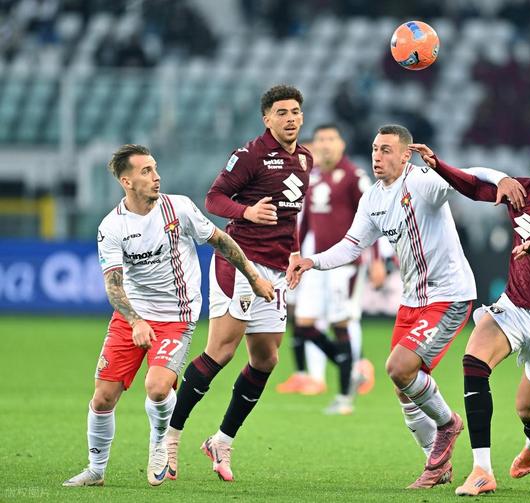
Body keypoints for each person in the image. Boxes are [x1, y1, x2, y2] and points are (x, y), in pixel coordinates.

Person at [287, 124, 525, 489]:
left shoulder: (423, 182)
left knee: (399, 368)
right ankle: (438, 464)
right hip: (412, 299)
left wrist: (502, 178)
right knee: (403, 386)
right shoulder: (373, 198)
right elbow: (352, 245)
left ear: (405, 155)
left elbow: (467, 176)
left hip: (448, 295)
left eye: (386, 150)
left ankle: (447, 424)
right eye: (374, 149)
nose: (377, 156)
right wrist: (312, 261)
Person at [63, 144, 274, 487]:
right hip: (132, 317)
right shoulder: (111, 227)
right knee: (102, 398)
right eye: (146, 171)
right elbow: (114, 286)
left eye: (155, 168)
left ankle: (160, 444)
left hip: (177, 316)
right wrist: (135, 321)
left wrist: (253, 277)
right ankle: (96, 470)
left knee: (158, 388)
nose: (156, 176)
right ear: (126, 181)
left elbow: (221, 240)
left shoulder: (179, 208)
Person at [408, 127, 530, 496]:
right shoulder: (521, 190)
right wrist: (438, 164)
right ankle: (482, 470)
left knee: (527, 409)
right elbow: (474, 188)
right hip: (514, 306)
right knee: (473, 363)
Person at [165, 84, 312, 482]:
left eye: (295, 111)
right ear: (267, 118)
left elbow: (291, 216)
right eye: (281, 112)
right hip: (241, 262)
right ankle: (169, 438)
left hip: (276, 270)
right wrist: (246, 212)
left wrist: (295, 253)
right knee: (221, 351)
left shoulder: (305, 158)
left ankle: (222, 440)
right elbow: (213, 199)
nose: (290, 119)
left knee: (266, 359)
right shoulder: (250, 155)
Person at [276, 123, 380, 414]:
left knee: (340, 324)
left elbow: (374, 220)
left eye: (331, 139)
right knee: (304, 324)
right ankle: (353, 369)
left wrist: (375, 260)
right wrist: (295, 256)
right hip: (318, 263)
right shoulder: (313, 178)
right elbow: (306, 224)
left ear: (341, 144)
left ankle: (345, 398)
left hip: (346, 265)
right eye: (320, 139)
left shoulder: (354, 178)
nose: (324, 144)